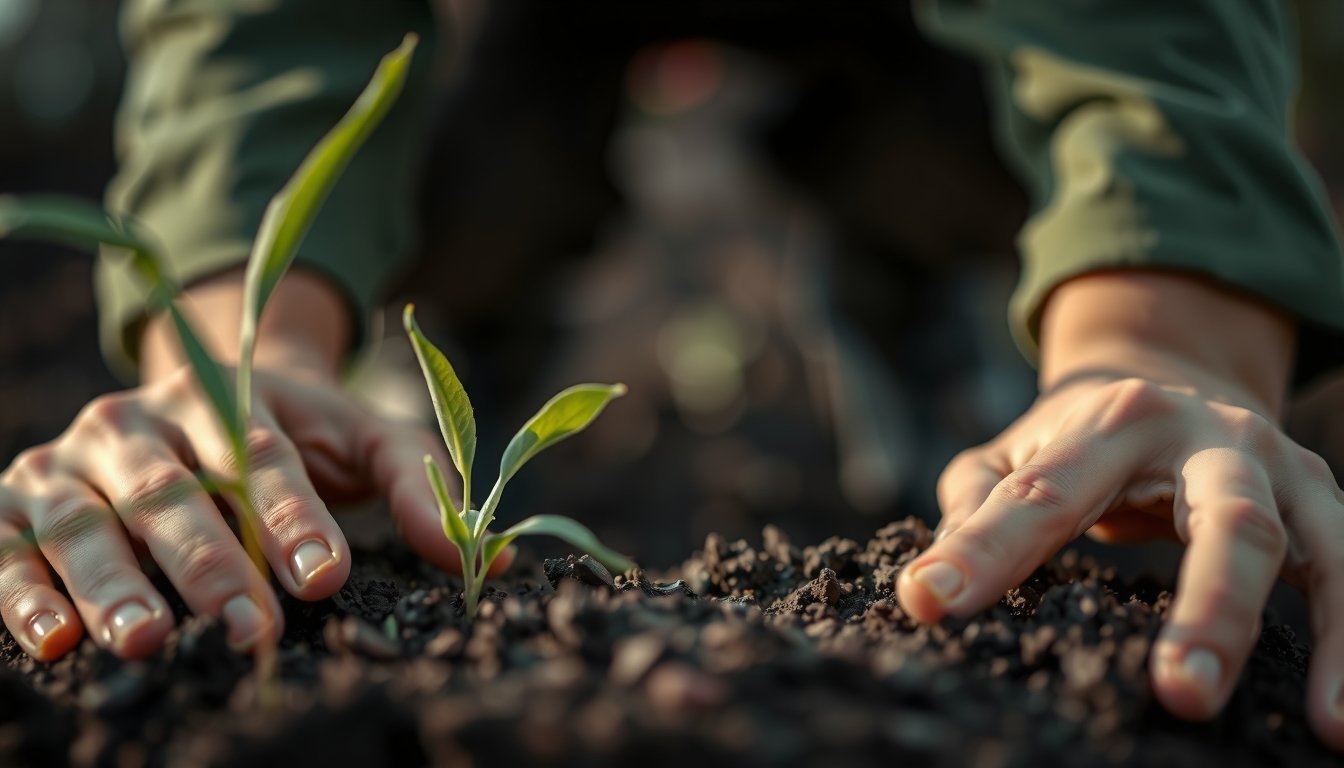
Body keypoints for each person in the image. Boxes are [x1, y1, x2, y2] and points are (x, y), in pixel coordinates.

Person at [1, 0, 1341, 751]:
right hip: (501, 35)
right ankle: (444, 344)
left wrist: (1155, 343)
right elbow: (263, 38)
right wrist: (242, 360)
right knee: (466, 141)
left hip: (915, 36)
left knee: (964, 136)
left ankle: (909, 272)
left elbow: (1149, 35)